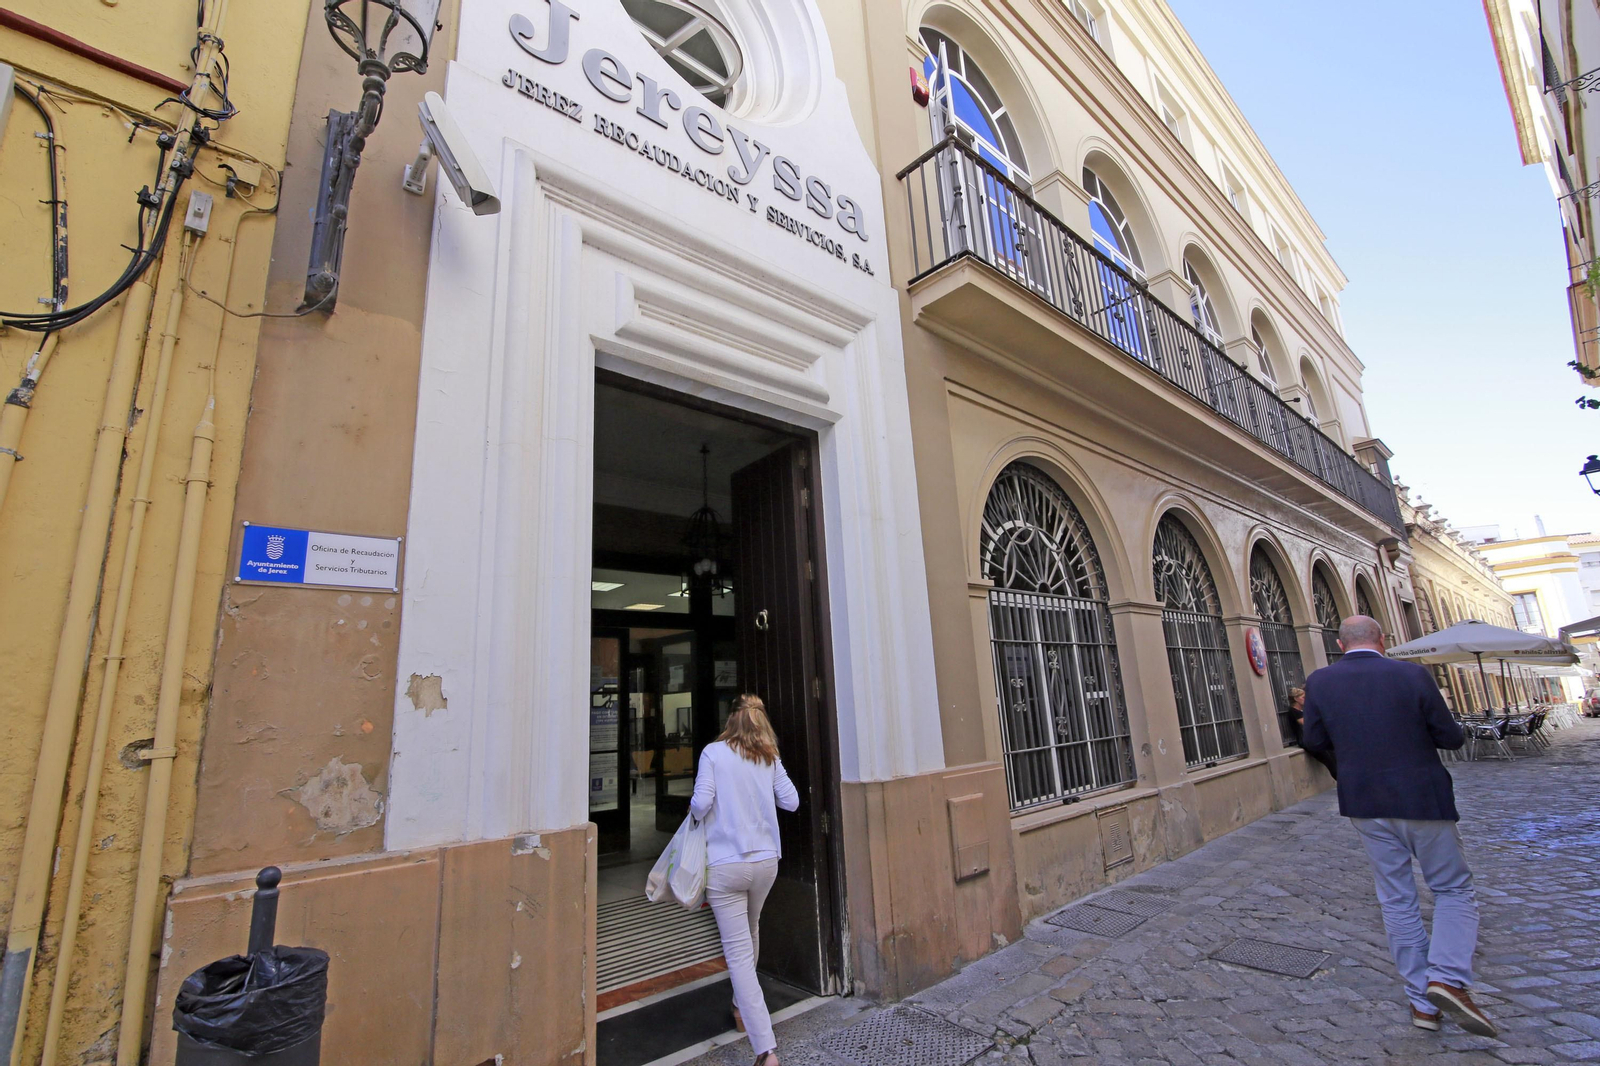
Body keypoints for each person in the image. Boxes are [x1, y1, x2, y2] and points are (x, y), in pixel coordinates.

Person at [1301, 615, 1495, 1038]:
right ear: (1382, 640)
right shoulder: (1412, 676)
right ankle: (1445, 976)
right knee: (1453, 888)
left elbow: (1313, 741)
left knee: (1396, 898)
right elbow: (1451, 737)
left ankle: (1421, 1001)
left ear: (1339, 644)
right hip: (1422, 797)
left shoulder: (1320, 682)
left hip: (1365, 801)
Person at [689, 694, 800, 1066]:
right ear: (760, 722)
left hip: (725, 864)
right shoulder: (769, 756)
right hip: (765, 861)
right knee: (751, 930)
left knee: (737, 954)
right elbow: (792, 802)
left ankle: (765, 1049)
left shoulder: (713, 753)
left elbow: (701, 804)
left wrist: (697, 811)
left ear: (731, 720)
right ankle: (741, 1003)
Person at [1288, 685, 1336, 779]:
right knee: (1329, 760)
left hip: (1315, 737)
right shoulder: (1293, 711)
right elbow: (1306, 723)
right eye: (1303, 697)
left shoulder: (1303, 710)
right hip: (1307, 740)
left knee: (1334, 756)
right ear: (1296, 699)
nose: (1306, 700)